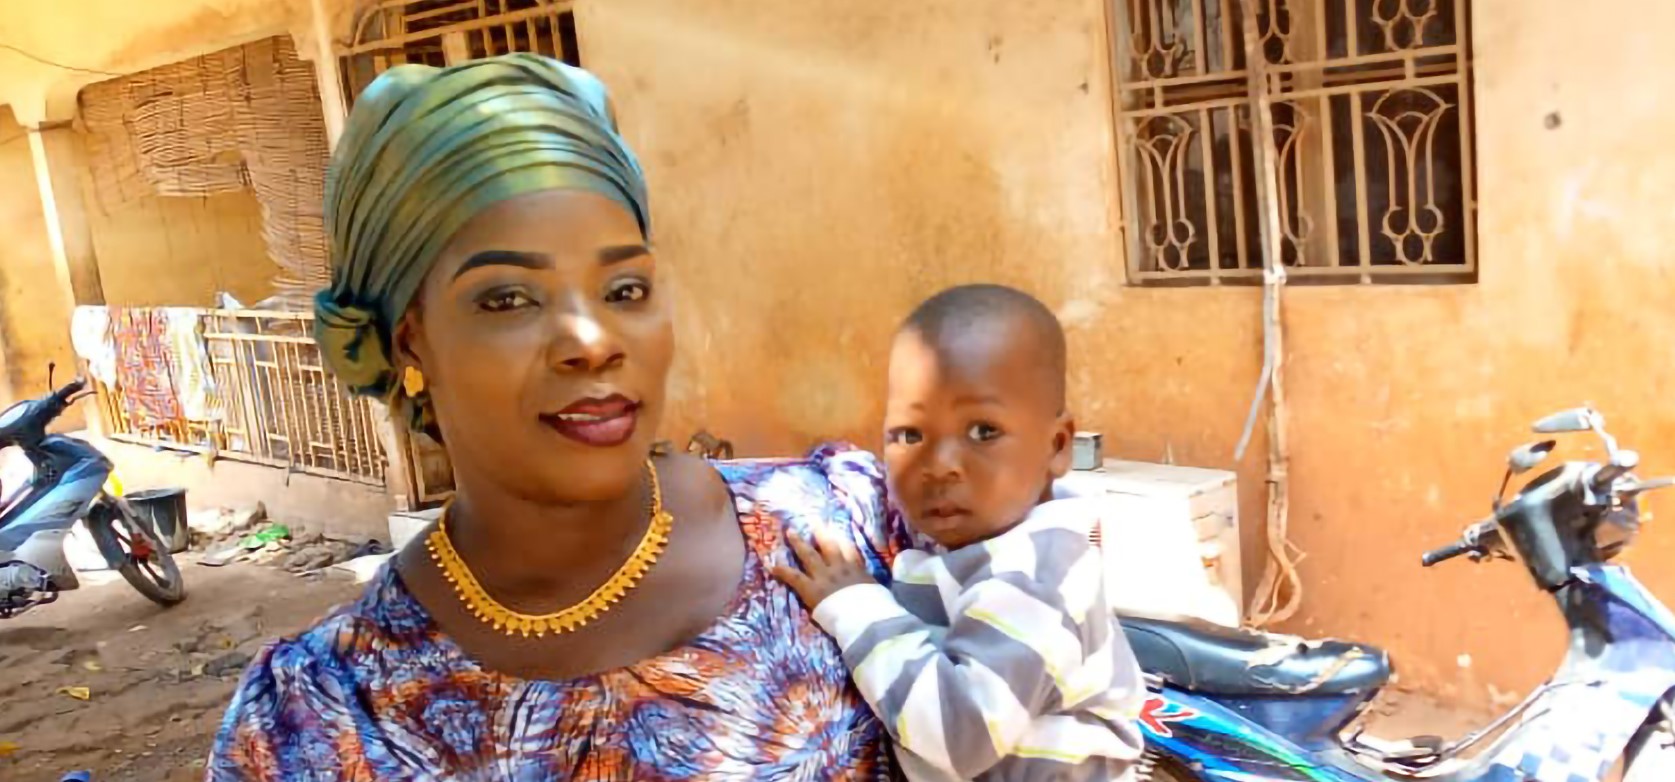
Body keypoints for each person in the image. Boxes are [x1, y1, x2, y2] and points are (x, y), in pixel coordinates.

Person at [207, 54, 914, 780]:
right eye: (507, 298)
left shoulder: (847, 531)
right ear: (406, 337)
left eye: (625, 288)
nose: (593, 341)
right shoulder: (324, 719)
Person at [775, 284, 1146, 781]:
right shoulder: (972, 541)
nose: (939, 466)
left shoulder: (1034, 577)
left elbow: (960, 734)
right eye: (910, 435)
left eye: (983, 432)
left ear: (1057, 446)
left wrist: (855, 609)